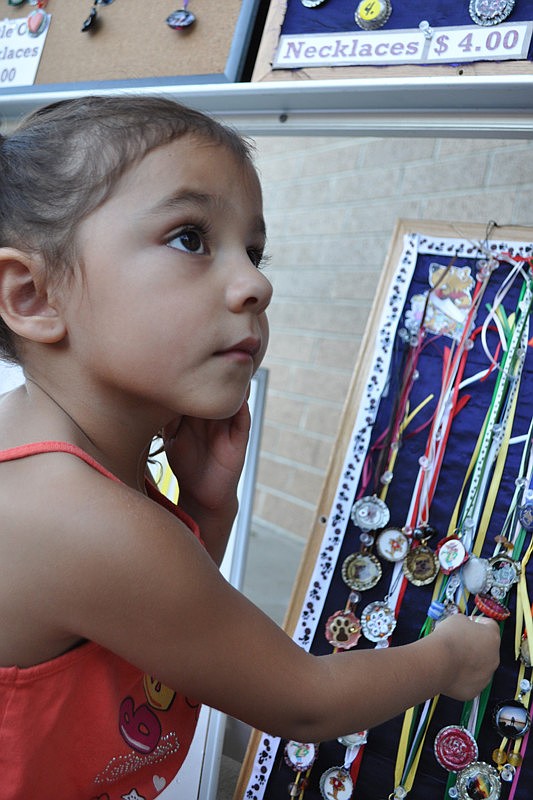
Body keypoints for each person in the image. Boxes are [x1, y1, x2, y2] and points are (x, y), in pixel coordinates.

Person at [0, 95, 500, 799]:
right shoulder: (78, 520)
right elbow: (304, 703)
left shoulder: (35, 455)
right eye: (189, 238)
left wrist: (206, 511)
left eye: (254, 250)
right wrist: (450, 657)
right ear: (32, 297)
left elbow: (156, 638)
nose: (256, 284)